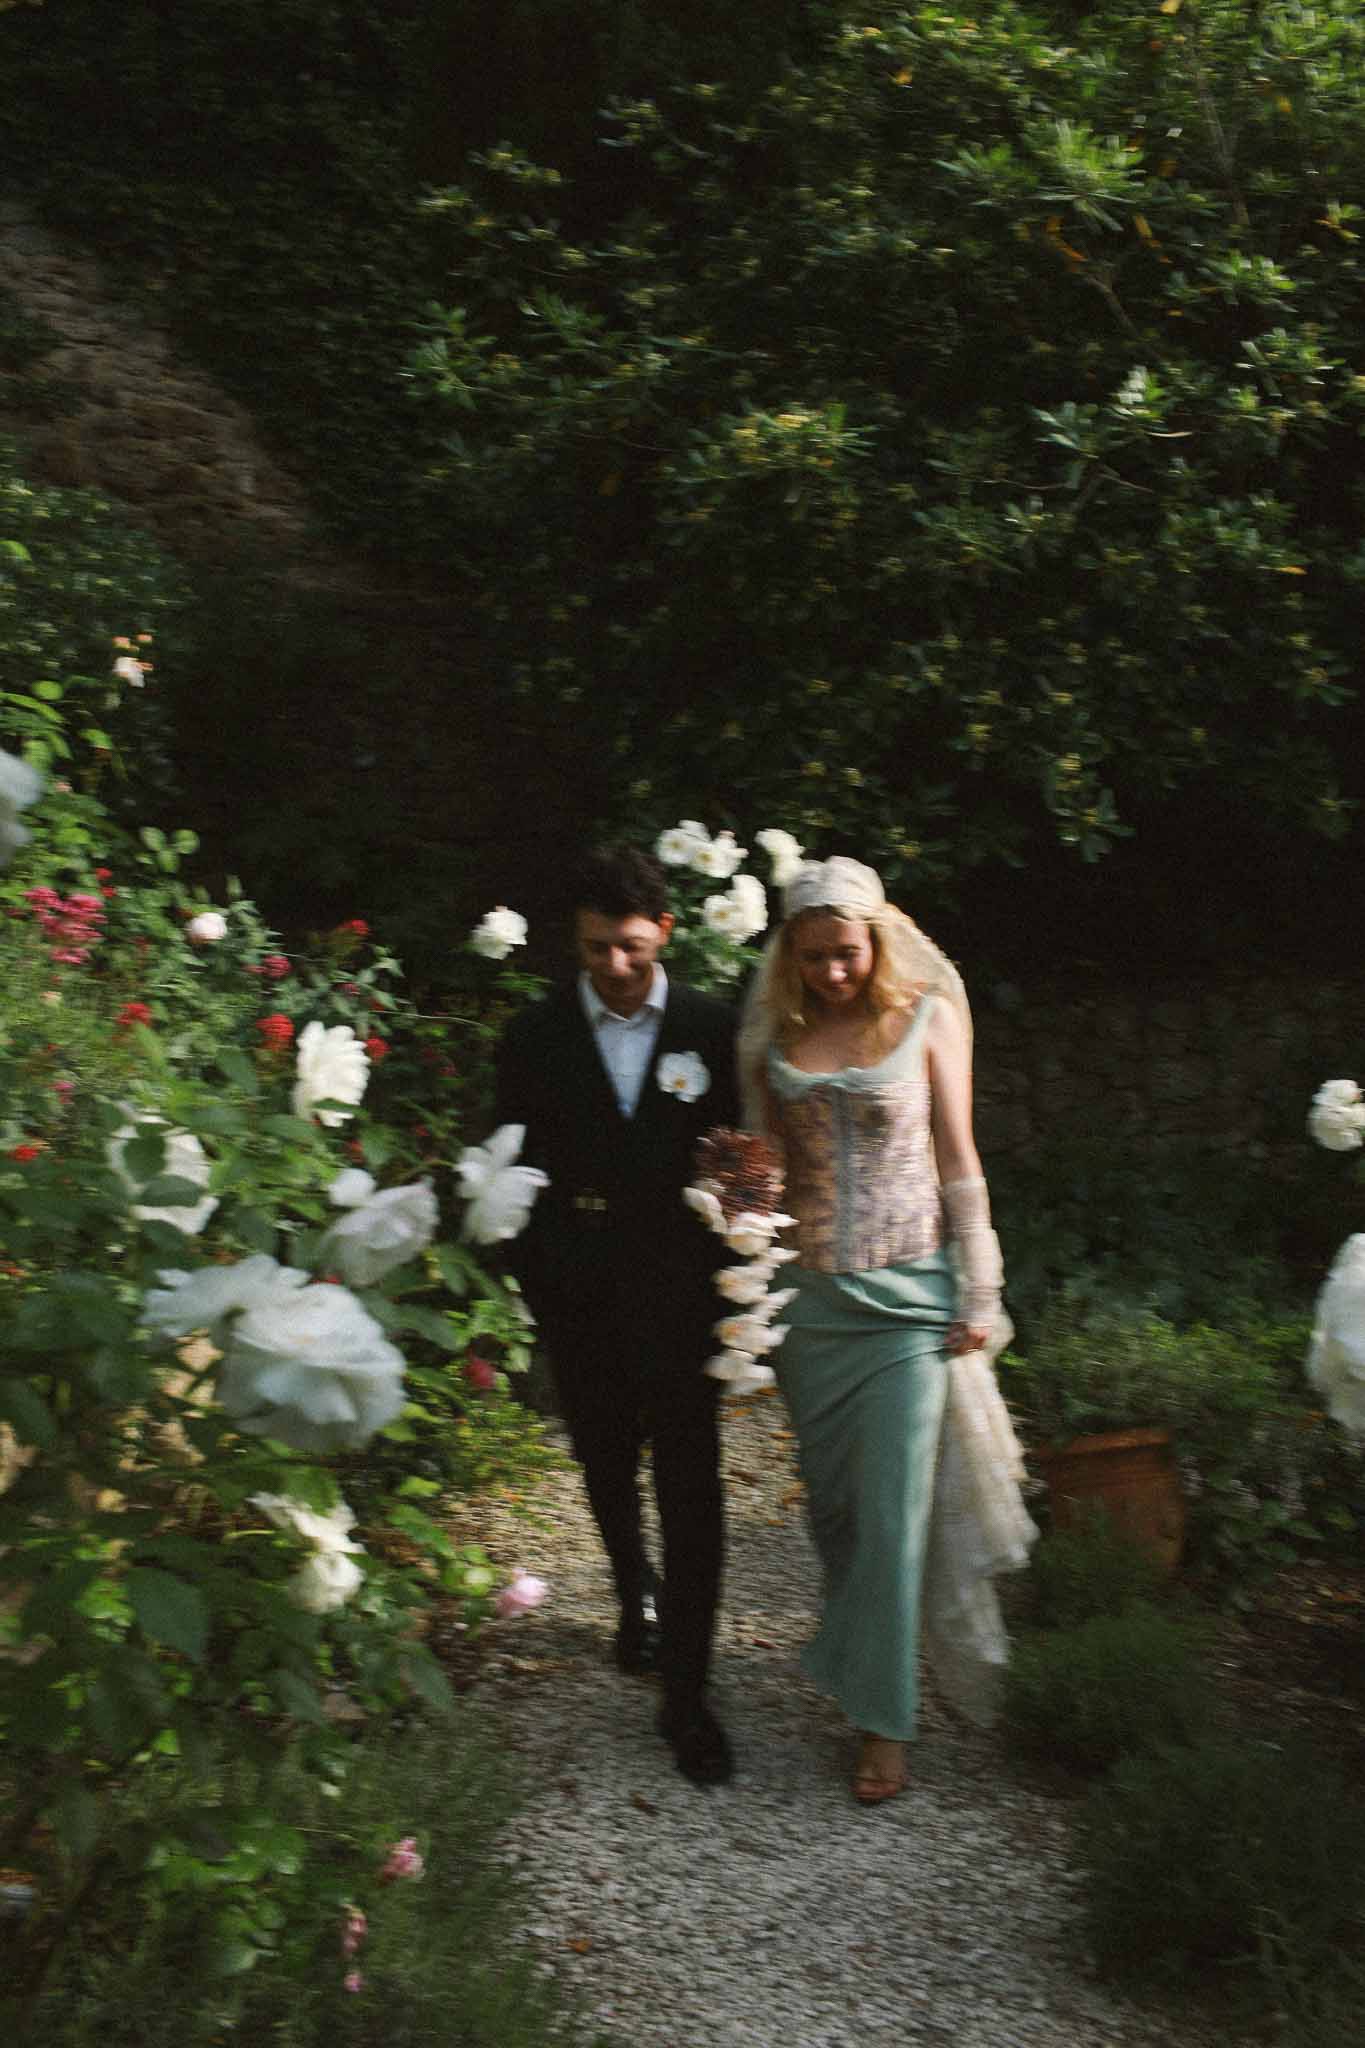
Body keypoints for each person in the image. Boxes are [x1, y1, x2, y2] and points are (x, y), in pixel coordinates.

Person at [739, 855, 1012, 1804]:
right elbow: (762, 1171)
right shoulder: (775, 1034)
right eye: (812, 957)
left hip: (910, 1305)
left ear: (878, 941)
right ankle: (864, 1669)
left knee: (895, 1516)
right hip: (812, 1309)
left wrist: (981, 1288)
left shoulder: (928, 1018)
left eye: (845, 954)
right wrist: (731, 1205)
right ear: (790, 955)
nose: (831, 973)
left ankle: (883, 1724)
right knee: (840, 1516)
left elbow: (957, 1157)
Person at [495, 845, 741, 1785]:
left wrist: (738, 1276)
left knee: (692, 1485)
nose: (615, 965)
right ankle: (632, 1587)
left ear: (665, 932)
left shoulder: (714, 1029)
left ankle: (688, 1694)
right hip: (582, 1295)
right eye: (597, 947)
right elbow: (509, 1164)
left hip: (684, 1297)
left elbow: (742, 1158)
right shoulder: (534, 1035)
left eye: (632, 946)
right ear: (575, 939)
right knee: (604, 1460)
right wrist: (540, 1281)